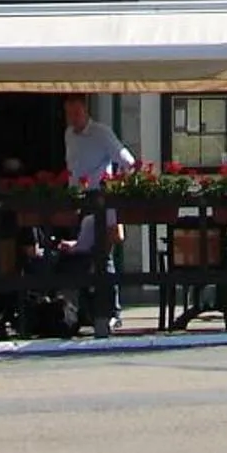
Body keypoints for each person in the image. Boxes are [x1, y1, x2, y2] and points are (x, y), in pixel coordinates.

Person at [57, 95, 134, 335]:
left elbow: (127, 161)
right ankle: (87, 311)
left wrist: (115, 189)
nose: (73, 118)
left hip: (100, 200)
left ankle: (112, 311)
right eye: (69, 114)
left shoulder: (101, 133)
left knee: (103, 256)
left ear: (85, 110)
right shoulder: (69, 134)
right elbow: (73, 167)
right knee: (82, 256)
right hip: (79, 200)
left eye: (76, 113)